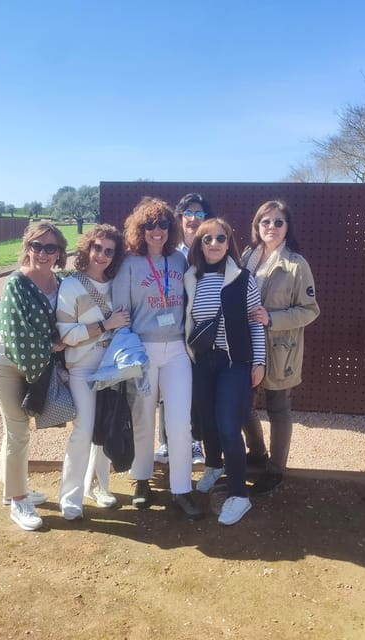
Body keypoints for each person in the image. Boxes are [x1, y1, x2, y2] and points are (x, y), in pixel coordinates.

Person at [111, 197, 203, 518]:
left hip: (177, 349)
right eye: (150, 225)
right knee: (143, 418)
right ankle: (141, 479)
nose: (157, 231)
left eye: (163, 224)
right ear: (141, 229)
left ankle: (181, 488)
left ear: (170, 228)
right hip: (144, 348)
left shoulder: (179, 261)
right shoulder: (129, 264)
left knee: (179, 423)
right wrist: (127, 352)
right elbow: (121, 313)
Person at [0, 222, 68, 531]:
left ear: (60, 253)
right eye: (37, 246)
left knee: (15, 429)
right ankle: (19, 500)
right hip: (6, 360)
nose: (42, 253)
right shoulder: (17, 283)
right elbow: (20, 337)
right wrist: (56, 346)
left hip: (36, 359)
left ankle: (12, 489)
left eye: (50, 248)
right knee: (18, 428)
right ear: (27, 247)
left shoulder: (59, 282)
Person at [184, 217, 266, 525]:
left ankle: (238, 495)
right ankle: (214, 465)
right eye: (208, 239)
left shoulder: (243, 278)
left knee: (229, 424)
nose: (214, 244)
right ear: (199, 244)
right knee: (206, 420)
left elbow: (256, 323)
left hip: (235, 362)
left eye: (221, 238)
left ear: (228, 242)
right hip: (203, 360)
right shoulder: (191, 278)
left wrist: (259, 362)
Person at [241, 200, 320, 493]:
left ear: (287, 227)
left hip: (280, 349)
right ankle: (257, 453)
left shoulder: (296, 264)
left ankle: (275, 469)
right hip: (245, 346)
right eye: (265, 221)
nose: (271, 227)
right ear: (257, 225)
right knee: (242, 405)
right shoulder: (247, 257)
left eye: (278, 222)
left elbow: (310, 310)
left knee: (278, 408)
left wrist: (271, 318)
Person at [56, 224, 130, 521]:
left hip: (112, 366)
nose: (102, 255)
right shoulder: (71, 286)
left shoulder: (117, 286)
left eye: (109, 251)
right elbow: (66, 335)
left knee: (106, 428)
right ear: (87, 247)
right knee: (84, 430)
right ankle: (70, 496)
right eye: (97, 247)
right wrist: (105, 326)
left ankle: (98, 486)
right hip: (82, 367)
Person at [154, 193, 215, 466]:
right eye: (188, 213)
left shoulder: (209, 249)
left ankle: (195, 443)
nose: (193, 219)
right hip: (172, 330)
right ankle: (166, 443)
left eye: (200, 214)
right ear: (180, 218)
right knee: (169, 393)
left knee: (196, 390)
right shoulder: (170, 251)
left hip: (200, 331)